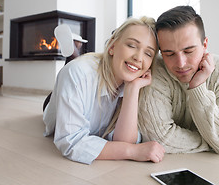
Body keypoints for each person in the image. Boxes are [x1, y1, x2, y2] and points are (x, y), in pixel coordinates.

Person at [43, 16, 165, 164]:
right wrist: (132, 151)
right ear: (112, 46)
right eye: (132, 45)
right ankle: (73, 55)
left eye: (148, 53)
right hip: (56, 101)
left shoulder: (137, 83)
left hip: (90, 79)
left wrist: (132, 90)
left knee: (78, 69)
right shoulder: (77, 74)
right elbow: (71, 143)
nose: (139, 58)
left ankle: (75, 53)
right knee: (73, 69)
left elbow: (123, 140)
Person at [138, 5, 219, 154]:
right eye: (169, 54)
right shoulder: (156, 69)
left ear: (205, 44)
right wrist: (211, 142)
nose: (181, 64)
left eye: (188, 51)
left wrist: (198, 87)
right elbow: (158, 137)